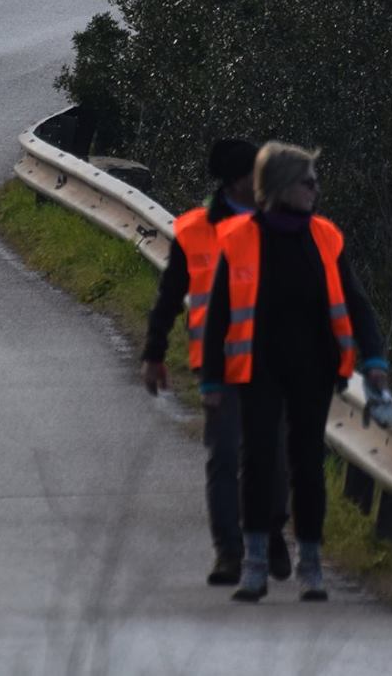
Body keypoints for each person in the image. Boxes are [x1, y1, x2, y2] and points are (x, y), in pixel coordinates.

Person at [201, 142, 390, 603]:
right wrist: (210, 380)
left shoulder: (325, 237)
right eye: (308, 182)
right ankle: (255, 564)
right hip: (258, 369)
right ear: (282, 187)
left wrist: (375, 360)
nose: (316, 190)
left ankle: (310, 565)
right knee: (258, 462)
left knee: (306, 466)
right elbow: (218, 315)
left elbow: (357, 304)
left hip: (316, 370)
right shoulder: (240, 239)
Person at [139, 138, 292, 587]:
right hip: (218, 365)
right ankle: (229, 552)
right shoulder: (194, 230)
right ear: (237, 180)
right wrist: (153, 353)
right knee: (224, 457)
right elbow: (170, 296)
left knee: (272, 458)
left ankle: (271, 530)